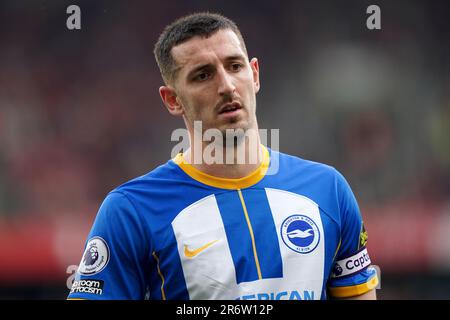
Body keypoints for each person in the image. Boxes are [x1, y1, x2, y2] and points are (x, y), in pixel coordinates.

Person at [67, 12, 378, 300]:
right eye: (203, 75)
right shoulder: (131, 211)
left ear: (254, 74)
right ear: (173, 100)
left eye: (235, 66)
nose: (227, 86)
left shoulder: (328, 191)